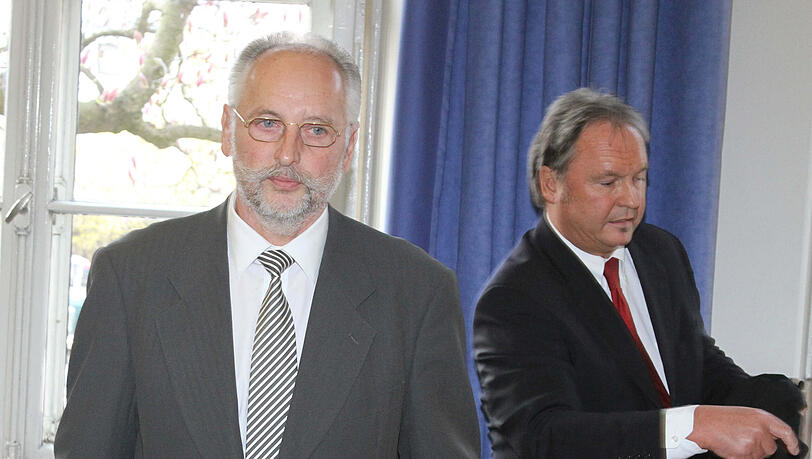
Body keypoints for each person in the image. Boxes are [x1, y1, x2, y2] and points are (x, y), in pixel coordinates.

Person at [55, 32, 479, 458]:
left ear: (349, 147)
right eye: (267, 123)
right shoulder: (131, 277)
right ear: (228, 129)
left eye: (317, 130)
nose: (288, 154)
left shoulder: (417, 292)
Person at [474, 88, 806, 458]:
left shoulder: (661, 252)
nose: (631, 200)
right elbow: (545, 436)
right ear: (551, 184)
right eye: (608, 182)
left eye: (639, 179)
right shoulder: (514, 298)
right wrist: (693, 426)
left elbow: (695, 364)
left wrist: (771, 406)